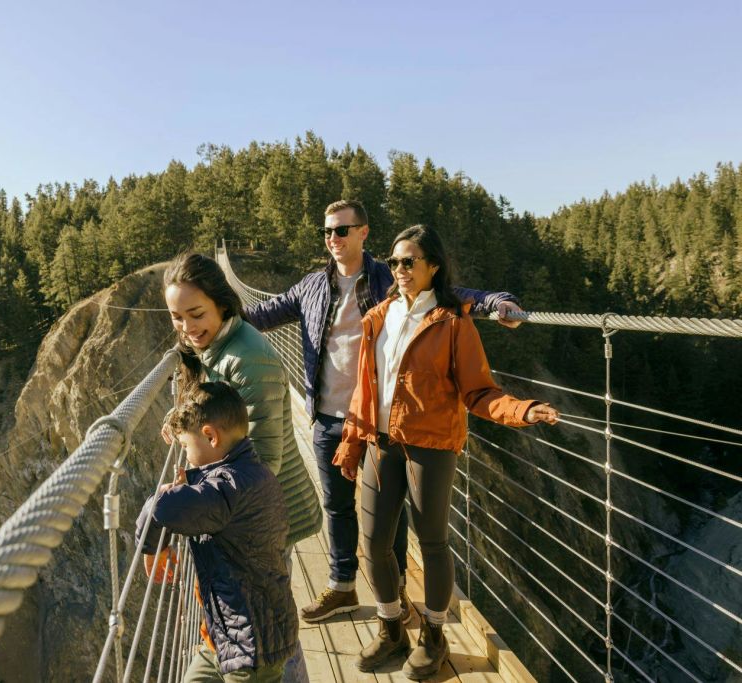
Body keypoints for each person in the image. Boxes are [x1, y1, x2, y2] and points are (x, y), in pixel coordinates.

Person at [245, 199, 524, 626]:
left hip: (378, 421)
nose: (332, 240)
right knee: (337, 507)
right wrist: (210, 324)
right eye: (327, 232)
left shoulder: (388, 277)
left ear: (363, 233)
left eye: (342, 230)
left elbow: (450, 296)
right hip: (328, 416)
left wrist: (495, 302)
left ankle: (392, 597)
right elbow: (263, 314)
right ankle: (343, 587)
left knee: (386, 520)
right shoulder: (311, 286)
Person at [333, 224, 559, 677]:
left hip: (431, 448)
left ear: (433, 266)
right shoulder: (379, 316)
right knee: (374, 543)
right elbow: (365, 388)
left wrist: (523, 410)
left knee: (433, 542)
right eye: (394, 262)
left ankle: (433, 636)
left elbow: (479, 391)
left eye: (409, 262)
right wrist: (353, 440)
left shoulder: (454, 322)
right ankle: (391, 627)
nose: (399, 270)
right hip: (381, 443)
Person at [163, 252, 321, 681]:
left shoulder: (248, 359)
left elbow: (264, 461)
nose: (186, 328)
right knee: (270, 630)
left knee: (268, 635)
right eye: (176, 317)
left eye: (195, 314)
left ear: (223, 304)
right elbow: (216, 414)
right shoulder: (215, 346)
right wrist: (179, 421)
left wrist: (199, 502)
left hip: (265, 513)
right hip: (245, 508)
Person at [137, 382, 297, 682]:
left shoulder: (224, 491)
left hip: (252, 647)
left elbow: (162, 509)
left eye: (185, 446)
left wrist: (153, 548)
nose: (185, 458)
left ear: (210, 436)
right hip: (226, 636)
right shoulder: (252, 472)